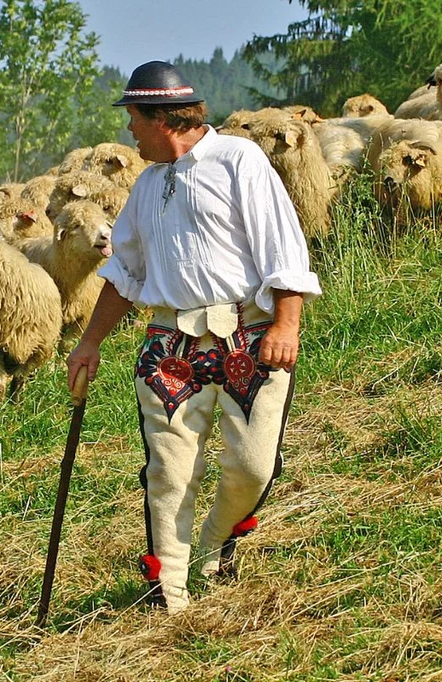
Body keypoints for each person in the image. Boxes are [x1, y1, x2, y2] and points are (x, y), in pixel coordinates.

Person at [65, 61, 322, 615]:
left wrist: (285, 322)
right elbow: (124, 275)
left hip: (249, 338)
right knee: (169, 471)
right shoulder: (148, 183)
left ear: (161, 117)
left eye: (134, 118)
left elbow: (283, 244)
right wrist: (90, 342)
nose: (130, 132)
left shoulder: (238, 159)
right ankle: (170, 592)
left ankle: (215, 542)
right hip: (170, 346)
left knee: (254, 466)